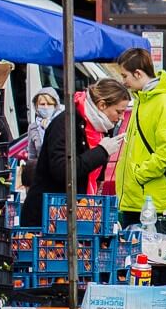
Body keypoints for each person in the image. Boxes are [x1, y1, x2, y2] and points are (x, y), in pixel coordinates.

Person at [19, 80, 131, 227]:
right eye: (119, 111)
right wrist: (102, 151)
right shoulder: (65, 124)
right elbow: (62, 170)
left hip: (75, 215)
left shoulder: (101, 128)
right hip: (47, 219)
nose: (121, 118)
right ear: (102, 105)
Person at [115, 48, 166, 217]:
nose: (123, 81)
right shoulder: (142, 99)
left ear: (138, 73)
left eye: (125, 76)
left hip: (150, 203)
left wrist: (139, 175)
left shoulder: (164, 102)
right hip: (137, 200)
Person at [24, 89, 63, 163]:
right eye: (42, 104)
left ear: (55, 106)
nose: (46, 107)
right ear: (36, 106)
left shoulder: (62, 124)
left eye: (49, 104)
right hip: (42, 170)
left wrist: (50, 129)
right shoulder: (33, 127)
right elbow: (32, 156)